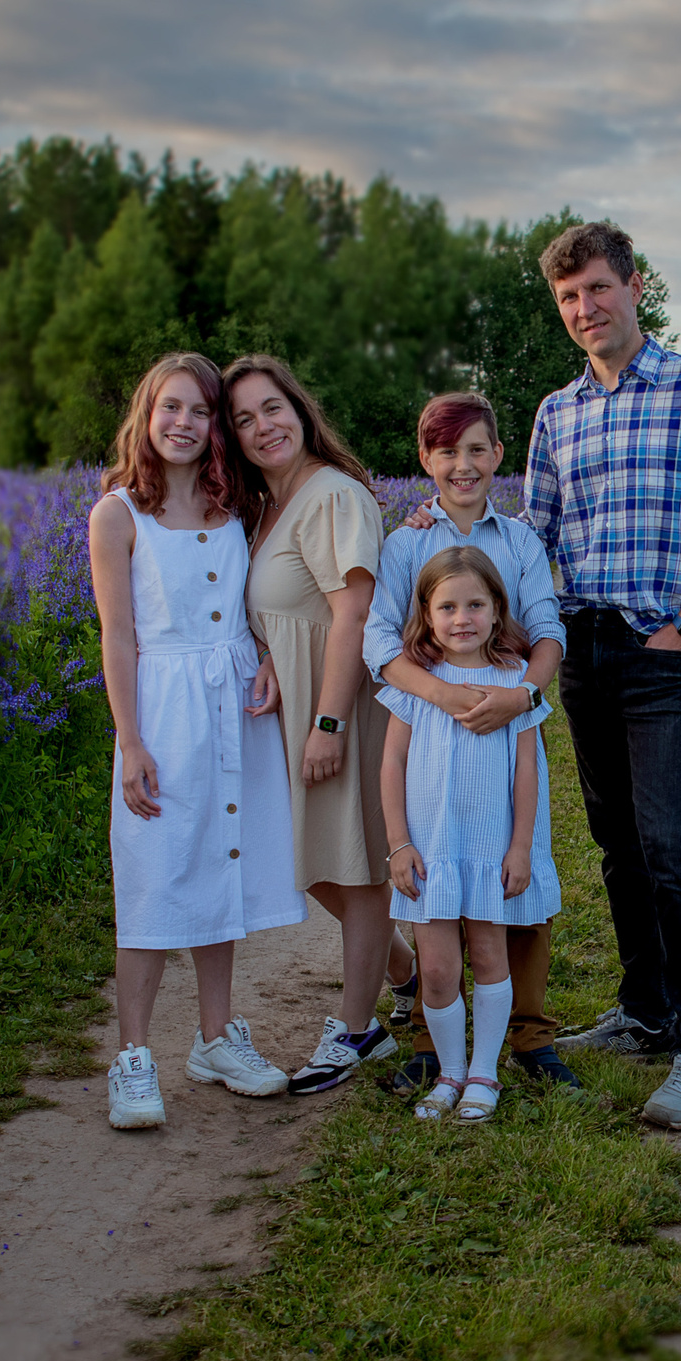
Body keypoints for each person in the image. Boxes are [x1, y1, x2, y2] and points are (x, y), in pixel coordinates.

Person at [531, 221, 681, 1131]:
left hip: (660, 652)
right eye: (568, 299)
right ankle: (645, 1010)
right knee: (617, 842)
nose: (585, 309)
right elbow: (534, 535)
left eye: (596, 288)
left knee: (668, 843)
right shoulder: (560, 411)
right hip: (584, 649)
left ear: (633, 287)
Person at [87, 353, 305, 1130]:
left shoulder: (233, 508)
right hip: (164, 712)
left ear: (216, 426)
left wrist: (273, 656)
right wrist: (131, 740)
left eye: (201, 411)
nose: (184, 423)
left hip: (235, 710)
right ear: (147, 415)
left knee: (222, 871)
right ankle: (134, 1054)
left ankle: (216, 1038)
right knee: (153, 877)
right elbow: (118, 638)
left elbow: (265, 598)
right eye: (170, 407)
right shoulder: (119, 514)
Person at [365, 390, 575, 1092]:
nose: (464, 465)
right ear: (425, 459)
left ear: (498, 456)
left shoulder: (517, 540)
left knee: (515, 881)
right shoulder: (407, 541)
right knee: (439, 888)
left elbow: (547, 628)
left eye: (477, 449)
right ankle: (434, 1044)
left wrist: (524, 695)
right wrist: (442, 695)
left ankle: (530, 1037)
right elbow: (378, 639)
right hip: (435, 722)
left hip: (508, 716)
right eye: (448, 451)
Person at [226, 354, 418, 1093]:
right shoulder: (268, 505)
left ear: (300, 410)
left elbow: (354, 613)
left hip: (339, 703)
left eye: (271, 408)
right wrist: (274, 655)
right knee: (310, 862)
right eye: (243, 418)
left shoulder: (332, 494)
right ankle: (402, 970)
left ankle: (358, 1029)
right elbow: (287, 606)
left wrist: (330, 722)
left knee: (353, 866)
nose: (261, 426)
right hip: (295, 698)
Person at [378, 548, 560, 1122]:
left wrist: (521, 846)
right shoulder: (416, 682)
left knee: (488, 956)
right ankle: (450, 1072)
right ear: (427, 615)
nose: (463, 618)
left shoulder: (514, 684)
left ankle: (484, 1073)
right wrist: (400, 845)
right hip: (430, 850)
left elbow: (528, 770)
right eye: (448, 606)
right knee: (435, 969)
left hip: (489, 847)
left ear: (497, 609)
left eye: (476, 605)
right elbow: (392, 766)